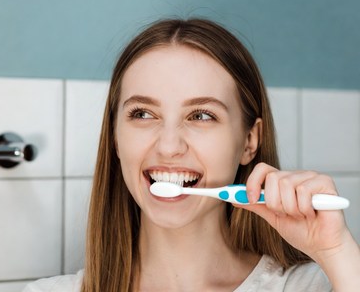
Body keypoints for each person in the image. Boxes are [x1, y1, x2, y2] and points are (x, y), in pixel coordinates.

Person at [24, 18, 360, 292]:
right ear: (115, 137)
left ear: (249, 141)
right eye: (143, 114)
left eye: (201, 116)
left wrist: (337, 251)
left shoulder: (317, 286)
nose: (169, 146)